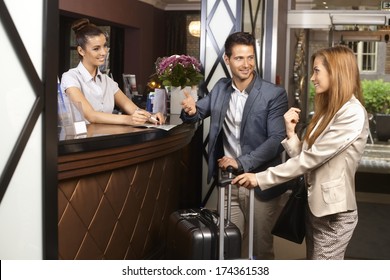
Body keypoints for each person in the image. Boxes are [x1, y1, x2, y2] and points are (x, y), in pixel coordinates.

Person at [232, 45, 369, 260]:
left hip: (334, 213)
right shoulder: (328, 112)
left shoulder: (351, 112)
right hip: (315, 208)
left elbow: (310, 159)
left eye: (316, 71)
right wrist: (290, 132)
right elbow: (305, 158)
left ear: (336, 71)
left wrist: (260, 178)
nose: (312, 78)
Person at [180, 32, 289, 259]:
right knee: (228, 245)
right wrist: (189, 111)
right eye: (239, 58)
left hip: (260, 183)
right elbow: (198, 111)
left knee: (259, 249)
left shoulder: (273, 94)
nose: (247, 64)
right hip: (229, 183)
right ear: (227, 60)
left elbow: (277, 141)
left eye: (250, 58)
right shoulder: (221, 87)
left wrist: (240, 162)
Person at [61, 18, 165, 126]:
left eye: (105, 46)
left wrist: (151, 116)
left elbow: (134, 109)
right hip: (81, 141)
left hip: (107, 139)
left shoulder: (107, 81)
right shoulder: (70, 77)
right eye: (96, 49)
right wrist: (128, 119)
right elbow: (91, 116)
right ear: (81, 51)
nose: (103, 52)